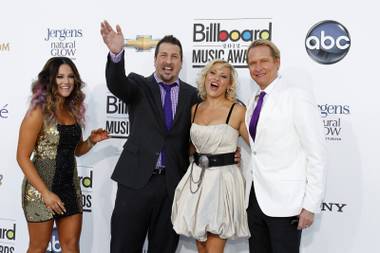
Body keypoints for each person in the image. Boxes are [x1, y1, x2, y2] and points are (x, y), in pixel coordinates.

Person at [100, 21, 200, 253]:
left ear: (181, 62)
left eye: (174, 56)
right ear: (155, 60)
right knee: (124, 246)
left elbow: (209, 124)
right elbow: (117, 83)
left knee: (164, 248)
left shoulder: (192, 94)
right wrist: (116, 54)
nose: (168, 61)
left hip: (172, 186)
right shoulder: (138, 85)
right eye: (163, 55)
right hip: (135, 183)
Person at [16, 57, 108, 253]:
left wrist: (91, 141)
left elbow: (75, 151)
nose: (66, 81)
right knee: (38, 247)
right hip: (40, 190)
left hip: (70, 187)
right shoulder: (37, 112)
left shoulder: (72, 111)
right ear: (50, 80)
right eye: (60, 77)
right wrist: (45, 193)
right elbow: (22, 157)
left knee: (71, 246)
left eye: (70, 77)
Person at [243, 39, 327, 253]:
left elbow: (316, 154)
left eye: (264, 61)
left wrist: (310, 205)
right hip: (255, 201)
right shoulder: (253, 100)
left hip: (287, 204)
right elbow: (257, 148)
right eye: (252, 63)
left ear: (277, 62)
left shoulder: (296, 97)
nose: (258, 67)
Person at [171, 59, 250, 253]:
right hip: (197, 180)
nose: (216, 79)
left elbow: (257, 147)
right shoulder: (195, 109)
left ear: (229, 84)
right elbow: (192, 147)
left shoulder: (237, 110)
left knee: (214, 246)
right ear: (205, 77)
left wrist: (237, 156)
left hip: (222, 182)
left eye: (223, 76)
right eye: (212, 73)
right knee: (202, 246)